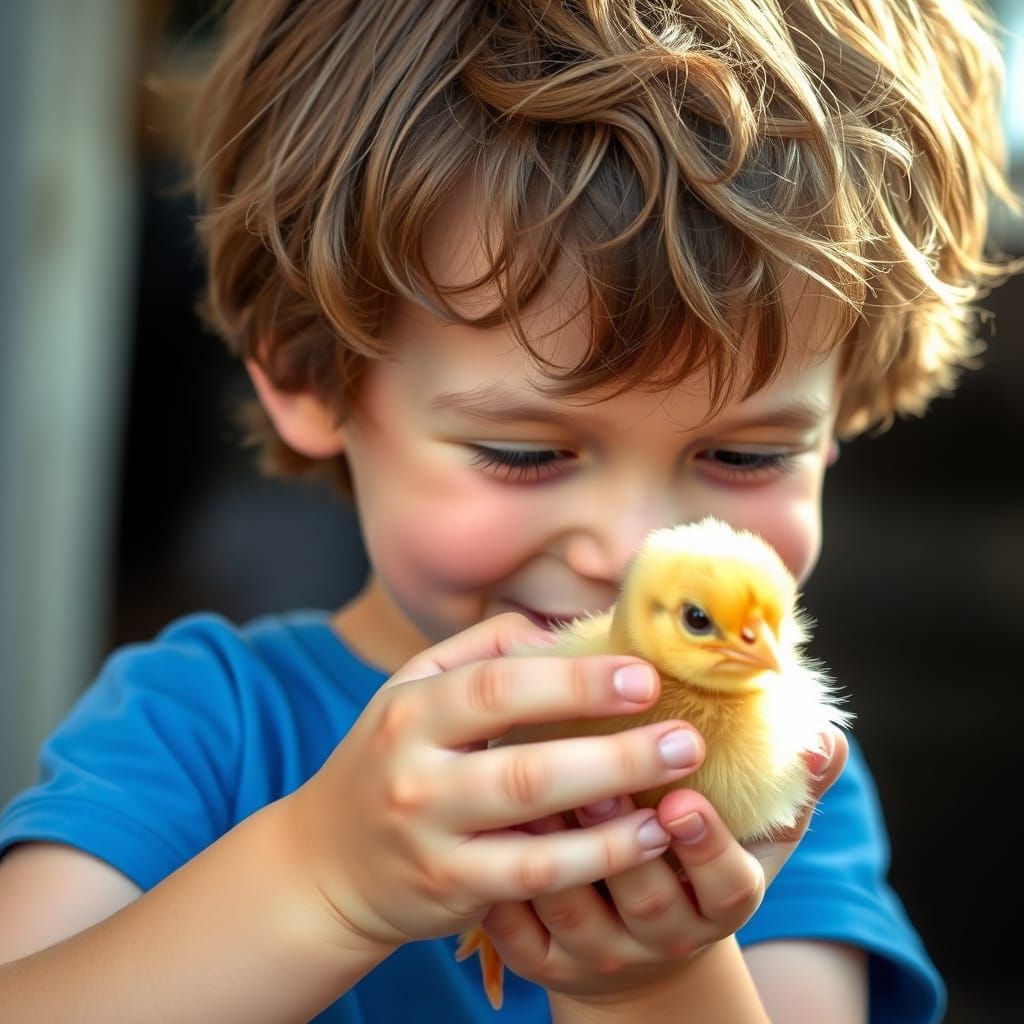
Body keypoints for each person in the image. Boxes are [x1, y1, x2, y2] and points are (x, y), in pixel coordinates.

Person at [0, 0, 1017, 1020]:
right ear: (310, 375)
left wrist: (647, 972)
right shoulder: (202, 726)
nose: (632, 554)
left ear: (836, 423)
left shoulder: (778, 784)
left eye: (744, 453)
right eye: (525, 452)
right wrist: (321, 879)